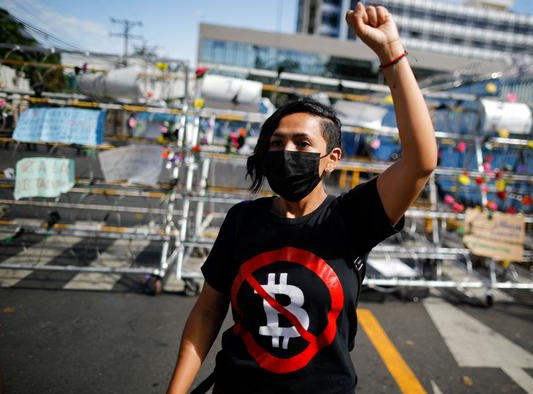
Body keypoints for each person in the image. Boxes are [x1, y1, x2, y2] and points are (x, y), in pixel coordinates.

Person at [167, 2, 437, 393]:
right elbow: (208, 310)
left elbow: (420, 161)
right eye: (276, 143)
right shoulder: (243, 219)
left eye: (302, 143)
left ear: (331, 159)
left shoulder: (350, 218)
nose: (285, 152)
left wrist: (390, 52)